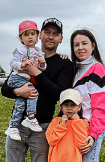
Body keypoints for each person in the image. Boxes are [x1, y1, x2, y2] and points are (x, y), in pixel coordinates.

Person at [1, 17, 74, 162]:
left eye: (55, 34)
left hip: (42, 127)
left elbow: (59, 94)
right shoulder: (25, 56)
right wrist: (18, 92)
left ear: (61, 39)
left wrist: (36, 72)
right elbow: (5, 88)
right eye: (47, 32)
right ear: (40, 34)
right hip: (17, 125)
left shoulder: (64, 63)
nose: (51, 37)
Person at [70, 29, 105, 162]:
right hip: (77, 125)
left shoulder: (98, 70)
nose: (80, 48)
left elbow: (102, 107)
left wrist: (94, 134)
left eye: (84, 43)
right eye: (76, 45)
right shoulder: (76, 69)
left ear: (93, 46)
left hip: (91, 128)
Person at [5, 20, 46, 141]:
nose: (30, 37)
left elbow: (42, 69)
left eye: (32, 34)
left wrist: (43, 64)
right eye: (26, 34)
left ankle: (13, 126)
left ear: (37, 36)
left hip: (26, 80)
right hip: (17, 78)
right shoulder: (20, 50)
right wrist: (22, 64)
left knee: (21, 101)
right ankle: (31, 117)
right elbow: (13, 63)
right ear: (21, 38)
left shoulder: (39, 51)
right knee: (32, 92)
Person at [46, 88, 90, 161]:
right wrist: (62, 125)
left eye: (73, 105)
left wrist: (76, 122)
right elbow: (51, 141)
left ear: (79, 107)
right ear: (62, 107)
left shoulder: (83, 123)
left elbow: (82, 144)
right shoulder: (55, 121)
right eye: (66, 105)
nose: (69, 108)